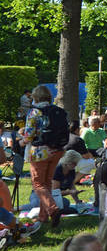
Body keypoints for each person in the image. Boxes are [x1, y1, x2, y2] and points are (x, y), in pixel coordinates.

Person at [21, 85, 70, 227]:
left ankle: (53, 209)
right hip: (57, 150)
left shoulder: (34, 112)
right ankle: (43, 217)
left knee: (38, 184)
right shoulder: (58, 111)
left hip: (40, 152)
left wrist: (22, 141)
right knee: (47, 183)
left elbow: (29, 135)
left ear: (35, 97)